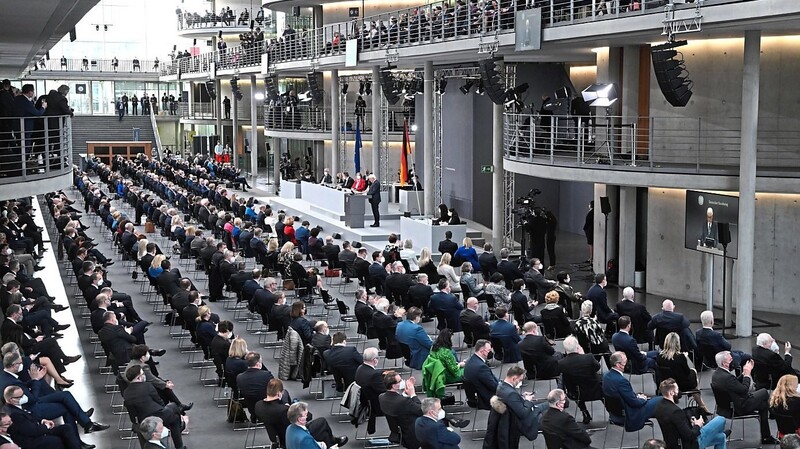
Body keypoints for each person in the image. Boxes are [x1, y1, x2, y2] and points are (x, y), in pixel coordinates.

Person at [711, 351, 778, 444]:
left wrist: (742, 374)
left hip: (725, 407)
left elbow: (734, 385)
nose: (733, 361)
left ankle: (767, 435)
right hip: (738, 407)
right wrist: (747, 374)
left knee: (763, 405)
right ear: (724, 363)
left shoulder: (717, 374)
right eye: (730, 359)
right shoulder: (727, 378)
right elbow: (744, 389)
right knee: (764, 392)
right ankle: (773, 416)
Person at [2, 386, 89, 449]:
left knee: (66, 428)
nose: (24, 397)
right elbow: (32, 431)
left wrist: (42, 421)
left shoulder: (16, 406)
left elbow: (31, 417)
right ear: (11, 399)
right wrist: (46, 426)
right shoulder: (14, 414)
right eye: (20, 397)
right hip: (31, 440)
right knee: (57, 440)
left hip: (36, 429)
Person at [123, 365, 187, 449]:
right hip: (158, 416)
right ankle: (180, 432)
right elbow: (159, 401)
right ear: (138, 378)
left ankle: (180, 425)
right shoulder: (147, 386)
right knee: (174, 407)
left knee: (174, 417)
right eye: (143, 374)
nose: (144, 376)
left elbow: (132, 413)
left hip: (143, 420)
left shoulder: (126, 393)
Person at [655, 378, 728, 449]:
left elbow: (677, 427)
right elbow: (690, 436)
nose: (679, 392)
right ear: (671, 393)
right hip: (689, 445)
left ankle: (714, 433)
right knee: (721, 419)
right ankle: (713, 433)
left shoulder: (659, 407)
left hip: (674, 444)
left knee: (722, 437)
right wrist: (698, 425)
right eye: (677, 390)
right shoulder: (675, 411)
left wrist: (690, 424)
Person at [602, 351, 663, 431]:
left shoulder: (606, 375)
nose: (628, 363)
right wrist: (643, 399)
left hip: (615, 413)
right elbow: (634, 403)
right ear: (618, 365)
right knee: (662, 400)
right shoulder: (621, 381)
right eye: (625, 362)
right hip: (630, 413)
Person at [493, 366, 547, 445]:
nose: (521, 382)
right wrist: (527, 400)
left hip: (517, 413)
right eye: (520, 380)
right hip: (525, 420)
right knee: (550, 405)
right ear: (514, 378)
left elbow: (513, 401)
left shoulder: (501, 386)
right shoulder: (511, 393)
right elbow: (523, 413)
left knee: (547, 402)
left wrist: (521, 397)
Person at [657, 332, 709, 413]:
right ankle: (701, 404)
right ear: (678, 343)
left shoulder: (659, 357)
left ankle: (700, 402)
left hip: (667, 384)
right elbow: (687, 372)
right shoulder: (680, 358)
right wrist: (685, 358)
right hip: (680, 385)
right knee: (693, 373)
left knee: (692, 377)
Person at [558, 335, 602, 424]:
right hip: (596, 391)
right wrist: (583, 355)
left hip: (576, 394)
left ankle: (584, 412)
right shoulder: (588, 357)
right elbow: (597, 367)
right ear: (578, 347)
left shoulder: (561, 363)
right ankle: (612, 413)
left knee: (574, 387)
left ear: (565, 350)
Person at [379, 371, 423, 449]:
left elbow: (398, 402)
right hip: (411, 432)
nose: (403, 381)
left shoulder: (381, 397)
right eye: (400, 380)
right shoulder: (403, 402)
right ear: (394, 386)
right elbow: (421, 410)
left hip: (398, 430)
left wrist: (405, 394)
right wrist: (413, 394)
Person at [355, 347, 385, 434]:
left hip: (366, 402)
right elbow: (384, 391)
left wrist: (381, 373)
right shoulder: (374, 375)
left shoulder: (360, 368)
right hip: (377, 406)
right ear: (375, 360)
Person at [585, 273, 617, 338]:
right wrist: (611, 311)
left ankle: (608, 332)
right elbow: (604, 306)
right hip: (600, 314)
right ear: (603, 281)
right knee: (616, 315)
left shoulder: (592, 288)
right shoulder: (602, 292)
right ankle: (610, 334)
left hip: (593, 311)